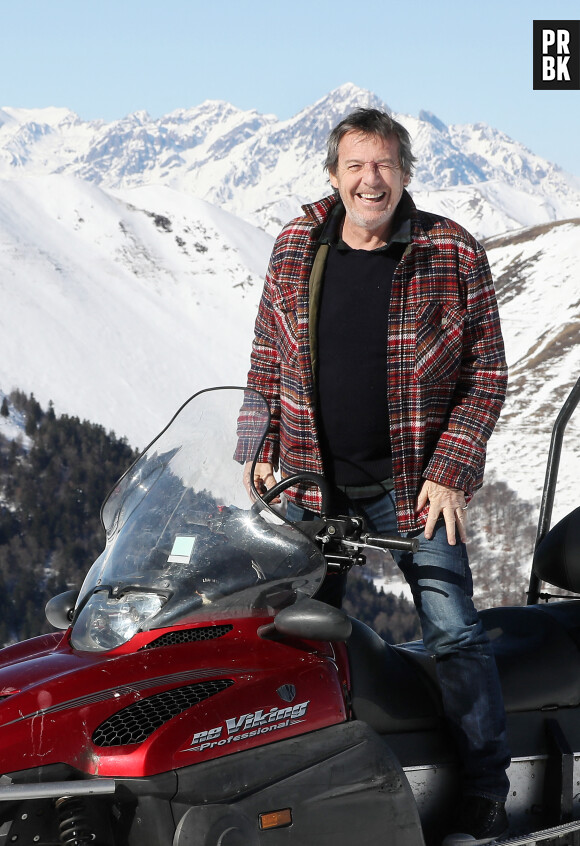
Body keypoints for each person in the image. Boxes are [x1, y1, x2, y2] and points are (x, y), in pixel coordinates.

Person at [242, 107, 510, 845]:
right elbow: (268, 353)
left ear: (405, 174)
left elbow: (488, 374)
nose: (372, 179)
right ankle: (295, 788)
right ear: (333, 176)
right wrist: (256, 445)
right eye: (357, 165)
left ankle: (488, 785)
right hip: (308, 481)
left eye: (386, 164)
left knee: (454, 632)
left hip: (413, 483)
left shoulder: (449, 252)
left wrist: (452, 471)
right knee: (285, 635)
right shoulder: (297, 244)